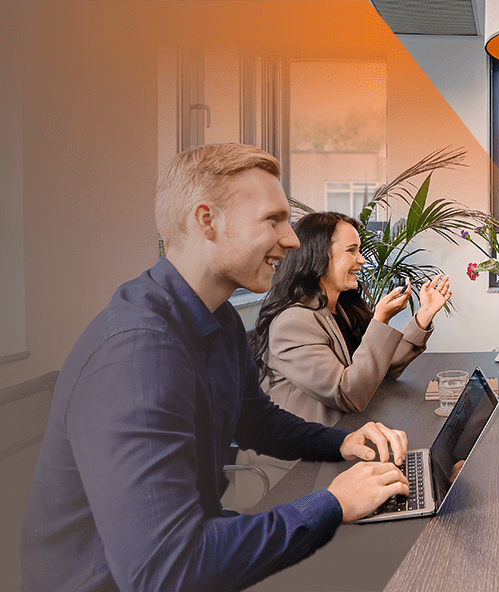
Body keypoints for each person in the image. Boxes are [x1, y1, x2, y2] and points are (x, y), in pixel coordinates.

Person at [22, 144, 414, 592]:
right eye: (273, 220)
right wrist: (332, 504)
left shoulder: (219, 318)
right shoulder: (136, 356)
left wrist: (343, 442)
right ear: (206, 220)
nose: (290, 239)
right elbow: (166, 568)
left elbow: (256, 421)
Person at [235, 211, 450, 491]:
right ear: (320, 257)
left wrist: (422, 318)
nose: (361, 259)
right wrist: (380, 321)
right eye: (352, 251)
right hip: (298, 470)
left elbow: (379, 369)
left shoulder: (339, 309)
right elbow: (349, 393)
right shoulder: (294, 322)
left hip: (346, 443)